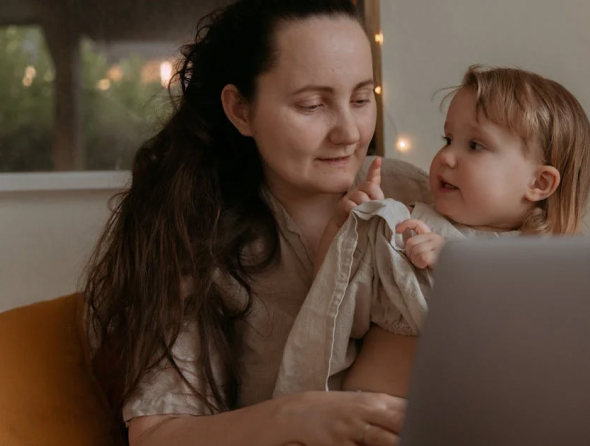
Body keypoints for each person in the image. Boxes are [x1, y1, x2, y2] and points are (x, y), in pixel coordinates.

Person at [82, 1, 430, 445]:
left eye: (362, 99)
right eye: (312, 105)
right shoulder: (197, 238)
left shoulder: (411, 191)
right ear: (241, 111)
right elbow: (156, 435)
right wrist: (298, 417)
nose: (350, 132)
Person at [274, 65, 590, 399]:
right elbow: (333, 295)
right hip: (363, 420)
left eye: (475, 145)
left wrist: (461, 266)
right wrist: (344, 227)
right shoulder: (405, 223)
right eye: (448, 139)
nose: (446, 157)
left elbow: (540, 348)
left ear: (538, 183)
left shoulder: (542, 260)